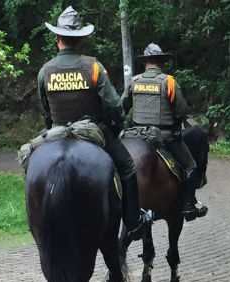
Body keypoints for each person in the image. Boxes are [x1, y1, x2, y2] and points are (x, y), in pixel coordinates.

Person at [34, 6, 151, 240]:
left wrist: (52, 126)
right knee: (127, 167)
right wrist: (116, 125)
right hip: (92, 131)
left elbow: (45, 110)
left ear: (58, 39)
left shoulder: (45, 70)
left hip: (56, 132)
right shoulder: (94, 67)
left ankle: (36, 219)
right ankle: (133, 220)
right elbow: (114, 105)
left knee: (31, 164)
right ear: (80, 41)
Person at [121, 43, 208, 222]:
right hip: (164, 138)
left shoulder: (135, 81)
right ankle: (188, 205)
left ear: (146, 63)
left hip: (136, 136)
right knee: (191, 166)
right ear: (161, 62)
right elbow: (182, 110)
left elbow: (122, 106)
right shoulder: (168, 82)